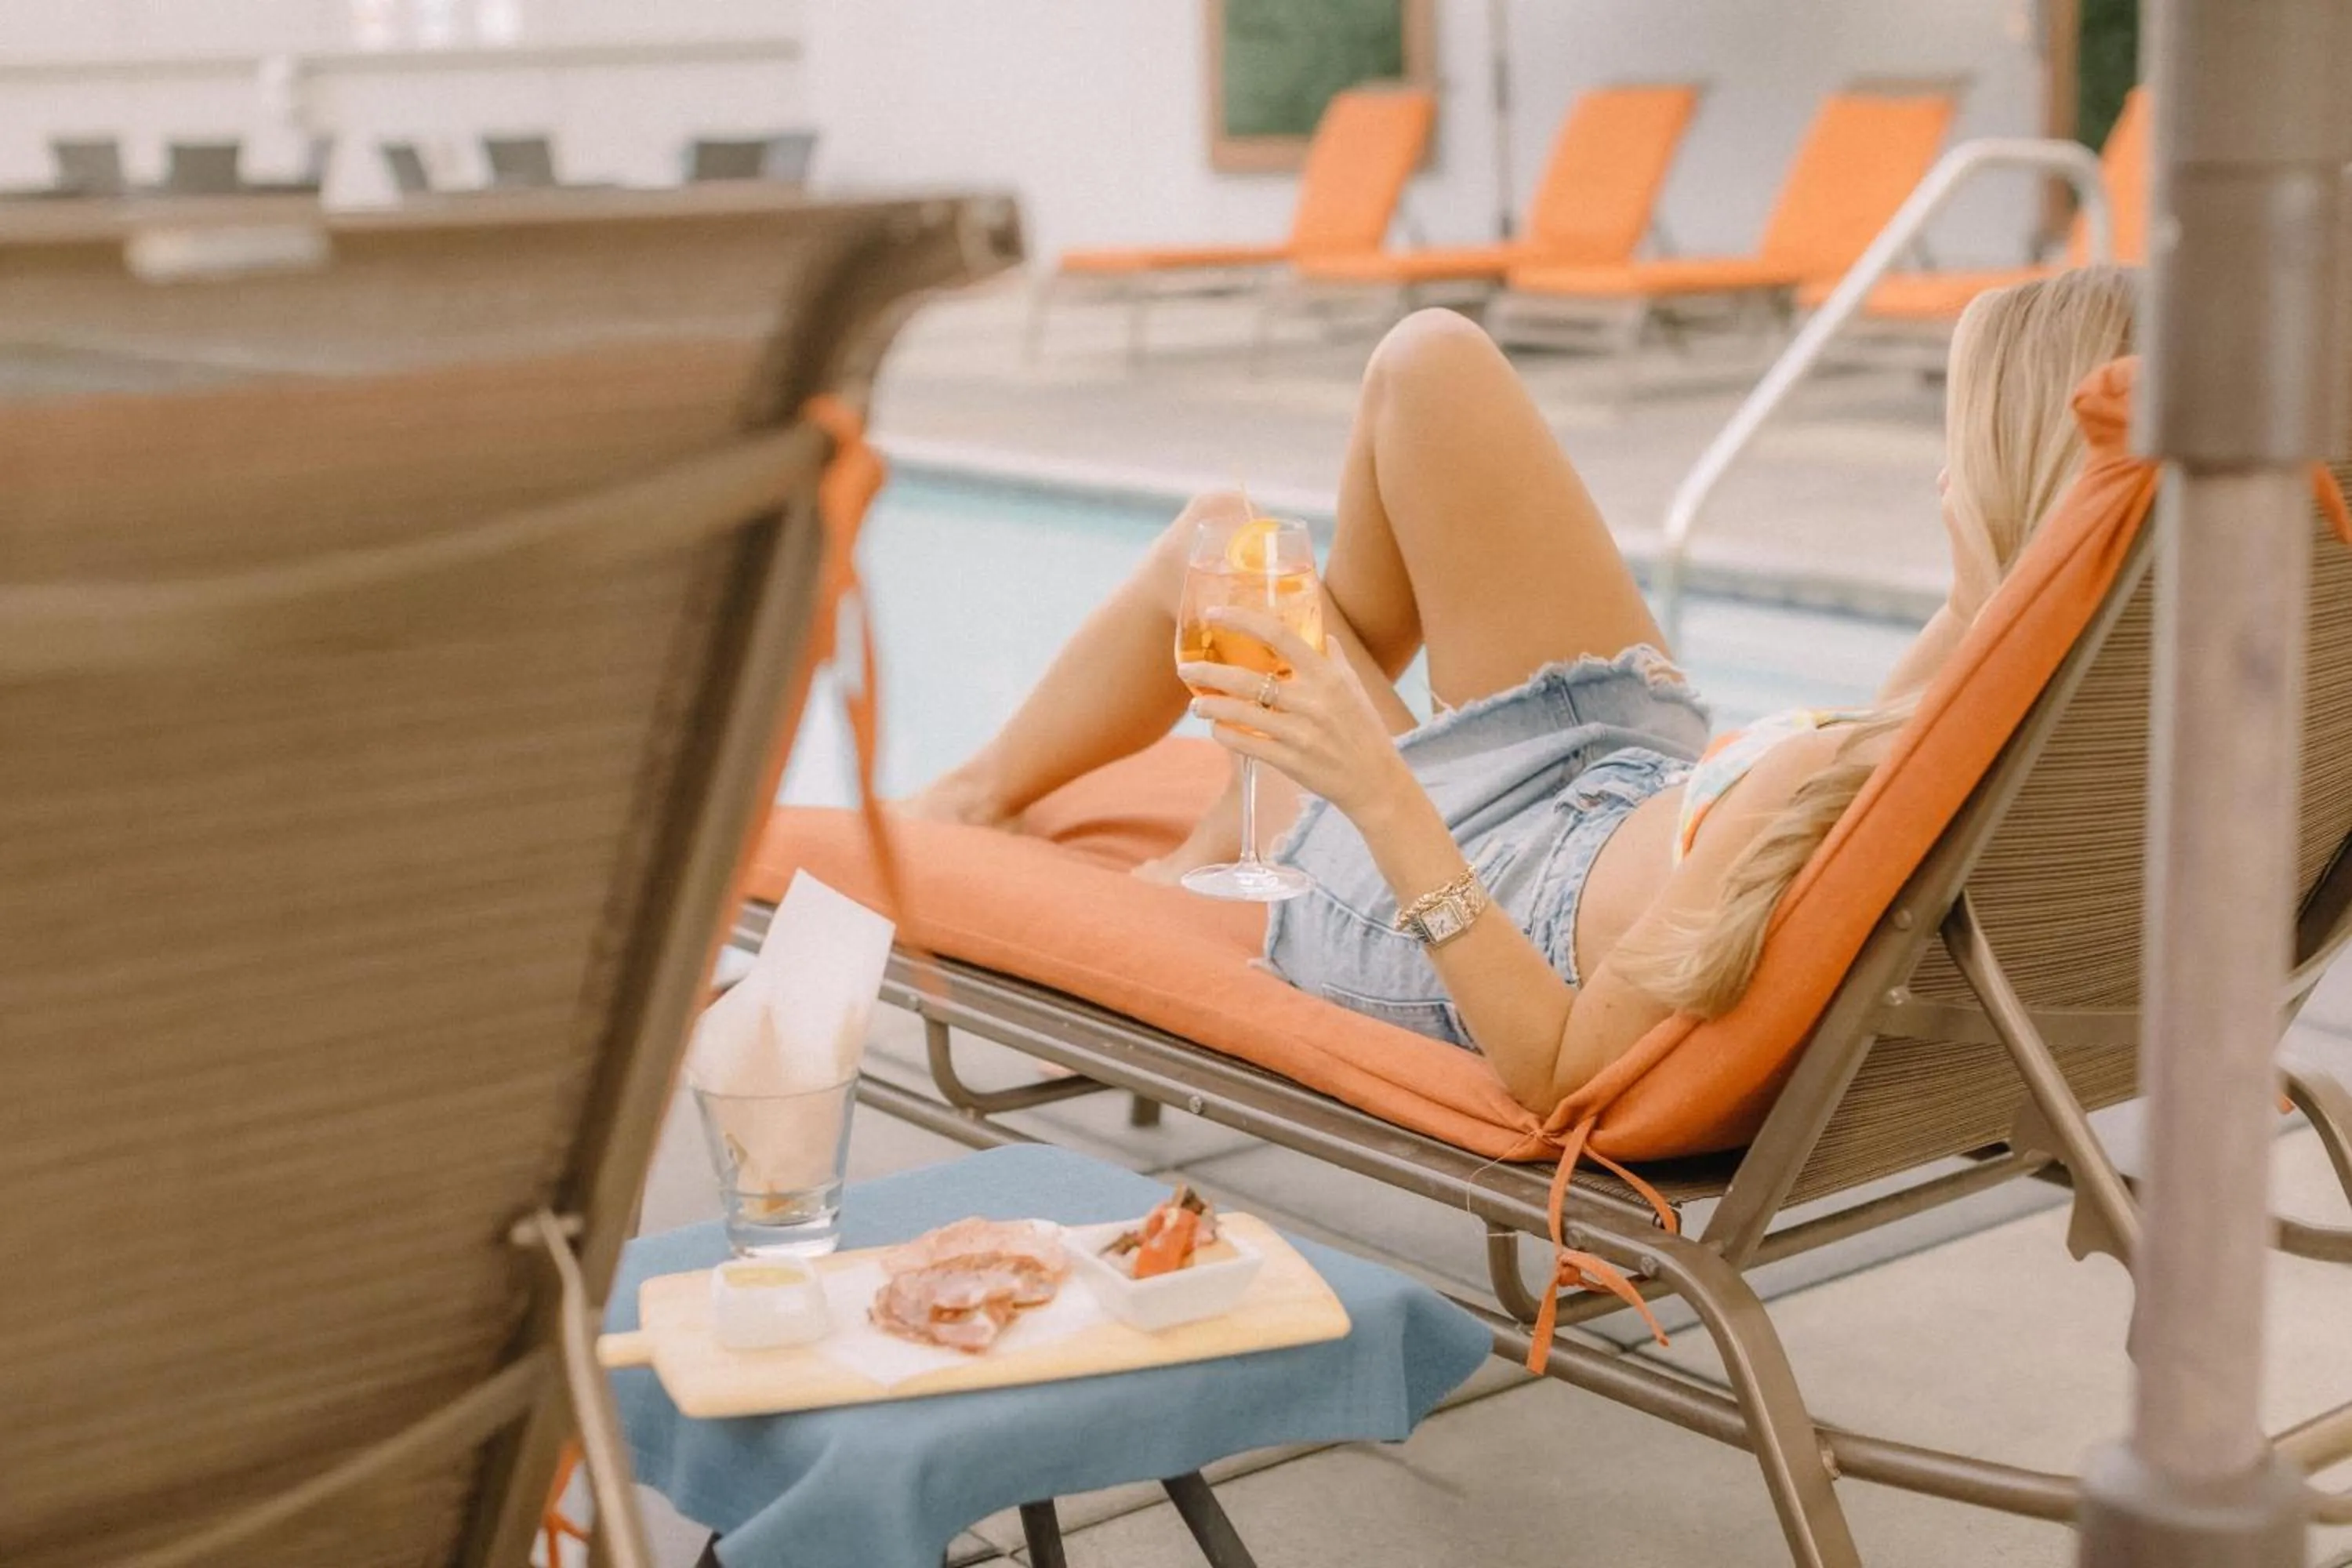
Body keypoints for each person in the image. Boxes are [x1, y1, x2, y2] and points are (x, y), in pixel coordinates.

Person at [906, 267, 2137, 1113]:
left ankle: (1006, 799)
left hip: (1490, 896)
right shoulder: (2054, 689)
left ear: (2012, 494)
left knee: (1219, 549)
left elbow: (1553, 1066)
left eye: (1958, 450)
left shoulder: (1850, 768)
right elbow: (2058, 560)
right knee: (1429, 364)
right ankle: (1227, 809)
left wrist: (1374, 789)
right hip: (1615, 782)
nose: (1935, 482)